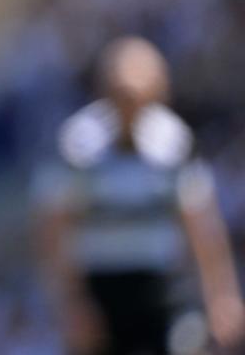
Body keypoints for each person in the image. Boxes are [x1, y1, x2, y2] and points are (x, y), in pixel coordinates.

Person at [34, 37, 245, 355]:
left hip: (162, 286)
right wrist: (70, 304)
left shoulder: (173, 142)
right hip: (102, 291)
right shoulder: (77, 146)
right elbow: (53, 230)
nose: (131, 108)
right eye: (121, 96)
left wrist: (221, 295)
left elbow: (201, 224)